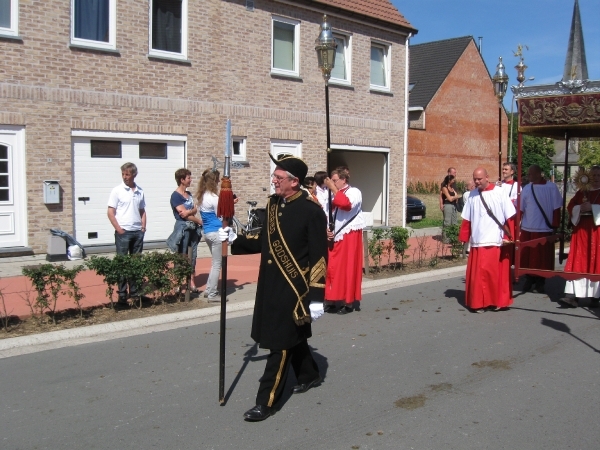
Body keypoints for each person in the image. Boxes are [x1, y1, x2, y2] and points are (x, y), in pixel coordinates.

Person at [230, 154, 328, 422]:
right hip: (271, 284)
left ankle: (266, 401)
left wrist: (317, 296)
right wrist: (233, 241)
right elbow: (264, 238)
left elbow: (319, 256)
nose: (273, 180)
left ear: (295, 182)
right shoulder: (273, 204)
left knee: (279, 343)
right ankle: (309, 374)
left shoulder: (312, 211)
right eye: (274, 176)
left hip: (295, 289)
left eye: (279, 177)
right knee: (291, 336)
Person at [459, 167, 515, 313]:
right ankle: (479, 303)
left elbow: (510, 217)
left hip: (495, 240)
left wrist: (509, 236)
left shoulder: (500, 193)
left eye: (479, 179)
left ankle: (496, 301)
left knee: (493, 275)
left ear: (487, 177)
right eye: (475, 179)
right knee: (479, 277)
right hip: (478, 241)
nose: (477, 182)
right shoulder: (472, 195)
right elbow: (467, 220)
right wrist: (464, 238)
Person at [323, 166, 365, 314]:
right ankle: (333, 299)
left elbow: (346, 205)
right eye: (331, 181)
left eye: (335, 181)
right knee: (333, 268)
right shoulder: (332, 195)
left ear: (343, 179)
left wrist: (333, 189)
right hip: (336, 235)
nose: (332, 184)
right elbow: (329, 214)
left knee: (347, 268)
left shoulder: (354, 192)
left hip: (349, 235)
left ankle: (347, 302)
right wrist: (327, 230)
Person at [559, 166, 600, 308]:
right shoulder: (582, 192)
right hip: (581, 230)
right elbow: (571, 206)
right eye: (593, 174)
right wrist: (579, 208)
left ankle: (596, 296)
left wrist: (593, 208)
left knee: (596, 260)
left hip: (597, 231)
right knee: (579, 259)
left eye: (598, 174)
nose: (596, 177)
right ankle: (573, 296)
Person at [107, 162, 147, 307]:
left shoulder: (139, 191)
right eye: (123, 174)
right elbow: (110, 212)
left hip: (137, 232)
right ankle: (122, 295)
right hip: (123, 232)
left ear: (134, 175)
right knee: (123, 263)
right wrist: (118, 228)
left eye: (127, 174)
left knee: (136, 263)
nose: (125, 177)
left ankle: (135, 293)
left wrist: (143, 227)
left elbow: (142, 211)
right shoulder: (117, 191)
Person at [519, 164, 562, 293]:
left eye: (530, 174)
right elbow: (521, 208)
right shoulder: (527, 188)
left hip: (544, 228)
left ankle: (540, 281)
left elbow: (556, 208)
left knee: (541, 258)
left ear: (538, 174)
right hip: (528, 227)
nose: (528, 176)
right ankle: (529, 278)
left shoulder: (551, 187)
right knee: (527, 256)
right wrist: (517, 225)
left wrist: (554, 226)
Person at [167, 168, 203, 293]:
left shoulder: (189, 195)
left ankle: (191, 282)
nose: (190, 180)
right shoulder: (175, 196)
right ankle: (177, 283)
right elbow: (183, 215)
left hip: (193, 229)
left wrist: (191, 211)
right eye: (188, 178)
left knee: (192, 255)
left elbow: (194, 209)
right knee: (181, 256)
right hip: (183, 229)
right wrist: (198, 220)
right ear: (182, 180)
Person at [196, 168, 224, 301]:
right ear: (214, 181)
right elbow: (221, 216)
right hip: (216, 232)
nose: (219, 181)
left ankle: (208, 289)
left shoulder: (202, 196)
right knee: (217, 264)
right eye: (217, 179)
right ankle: (212, 293)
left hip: (207, 232)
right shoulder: (214, 197)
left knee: (214, 263)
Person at [441, 174, 460, 241]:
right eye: (453, 179)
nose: (454, 180)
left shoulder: (452, 188)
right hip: (448, 206)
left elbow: (456, 196)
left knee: (454, 222)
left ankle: (453, 237)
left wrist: (454, 197)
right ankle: (445, 238)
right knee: (447, 222)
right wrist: (454, 197)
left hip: (454, 205)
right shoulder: (444, 188)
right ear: (449, 180)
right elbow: (449, 199)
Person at [462, 180, 475, 253]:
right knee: (469, 232)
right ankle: (468, 249)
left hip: (471, 215)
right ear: (470, 186)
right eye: (472, 185)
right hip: (469, 215)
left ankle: (468, 247)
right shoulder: (467, 194)